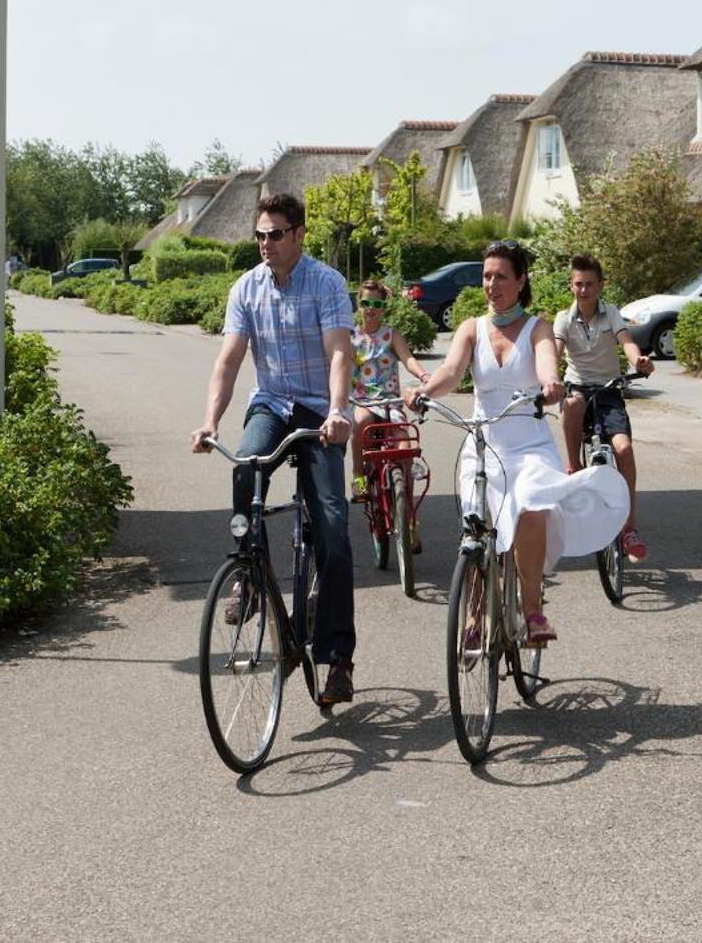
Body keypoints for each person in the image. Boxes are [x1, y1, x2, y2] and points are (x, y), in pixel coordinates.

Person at [412, 240, 628, 647]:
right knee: (476, 527)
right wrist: (423, 392)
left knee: (531, 507)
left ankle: (532, 611)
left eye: (501, 276)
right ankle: (476, 611)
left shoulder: (538, 327)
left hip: (528, 446)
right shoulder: (471, 328)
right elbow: (450, 371)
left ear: (521, 281)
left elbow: (548, 363)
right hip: (483, 444)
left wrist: (551, 384)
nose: (491, 284)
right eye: (486, 276)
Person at [190, 193, 359, 707]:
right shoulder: (246, 287)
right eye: (260, 235)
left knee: (331, 523)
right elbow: (229, 360)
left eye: (276, 234)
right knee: (245, 465)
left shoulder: (326, 283)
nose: (266, 244)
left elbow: (339, 353)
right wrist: (209, 422)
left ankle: (336, 659)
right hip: (271, 403)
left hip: (316, 410)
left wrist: (336, 411)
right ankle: (249, 573)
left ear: (299, 234)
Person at [553, 253, 655, 562]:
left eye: (590, 285)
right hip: (577, 388)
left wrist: (637, 360)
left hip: (608, 390)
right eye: (578, 284)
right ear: (572, 286)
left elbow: (626, 341)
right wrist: (545, 377)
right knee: (571, 403)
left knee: (623, 450)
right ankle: (574, 466)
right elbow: (554, 352)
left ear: (600, 286)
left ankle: (629, 527)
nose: (584, 290)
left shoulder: (610, 314)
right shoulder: (563, 319)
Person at [350, 278, 430, 501]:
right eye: (366, 304)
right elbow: (341, 368)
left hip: (390, 403)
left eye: (376, 305)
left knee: (404, 446)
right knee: (360, 423)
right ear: (359, 305)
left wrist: (424, 375)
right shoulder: (351, 337)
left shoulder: (391, 334)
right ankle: (358, 476)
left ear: (383, 307)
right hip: (364, 401)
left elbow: (408, 359)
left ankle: (408, 518)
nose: (370, 310)